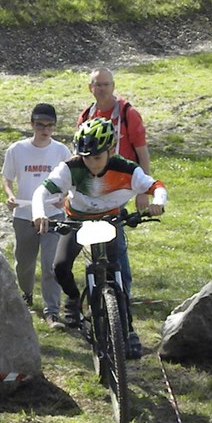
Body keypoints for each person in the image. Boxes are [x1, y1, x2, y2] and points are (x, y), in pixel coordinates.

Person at [32, 117, 167, 358]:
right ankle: (74, 300)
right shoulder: (70, 168)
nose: (91, 164)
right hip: (77, 220)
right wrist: (39, 214)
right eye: (86, 157)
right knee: (59, 266)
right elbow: (42, 191)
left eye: (96, 157)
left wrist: (158, 202)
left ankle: (128, 332)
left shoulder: (126, 168)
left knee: (119, 276)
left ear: (110, 150)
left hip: (111, 221)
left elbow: (156, 185)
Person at [77, 67, 153, 353]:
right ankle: (86, 308)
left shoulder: (127, 114)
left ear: (113, 86)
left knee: (118, 256)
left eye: (107, 84)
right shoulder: (86, 116)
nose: (102, 89)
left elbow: (142, 152)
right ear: (90, 87)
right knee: (85, 250)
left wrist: (143, 191)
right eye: (98, 85)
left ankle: (126, 325)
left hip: (121, 189)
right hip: (94, 193)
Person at [2, 103, 73, 330]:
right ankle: (26, 293)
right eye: (41, 125)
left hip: (53, 214)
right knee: (25, 263)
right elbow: (7, 178)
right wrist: (11, 196)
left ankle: (52, 311)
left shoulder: (61, 151)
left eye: (50, 126)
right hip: (24, 214)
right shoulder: (16, 150)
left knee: (51, 265)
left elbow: (71, 180)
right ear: (31, 124)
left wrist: (64, 196)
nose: (45, 130)